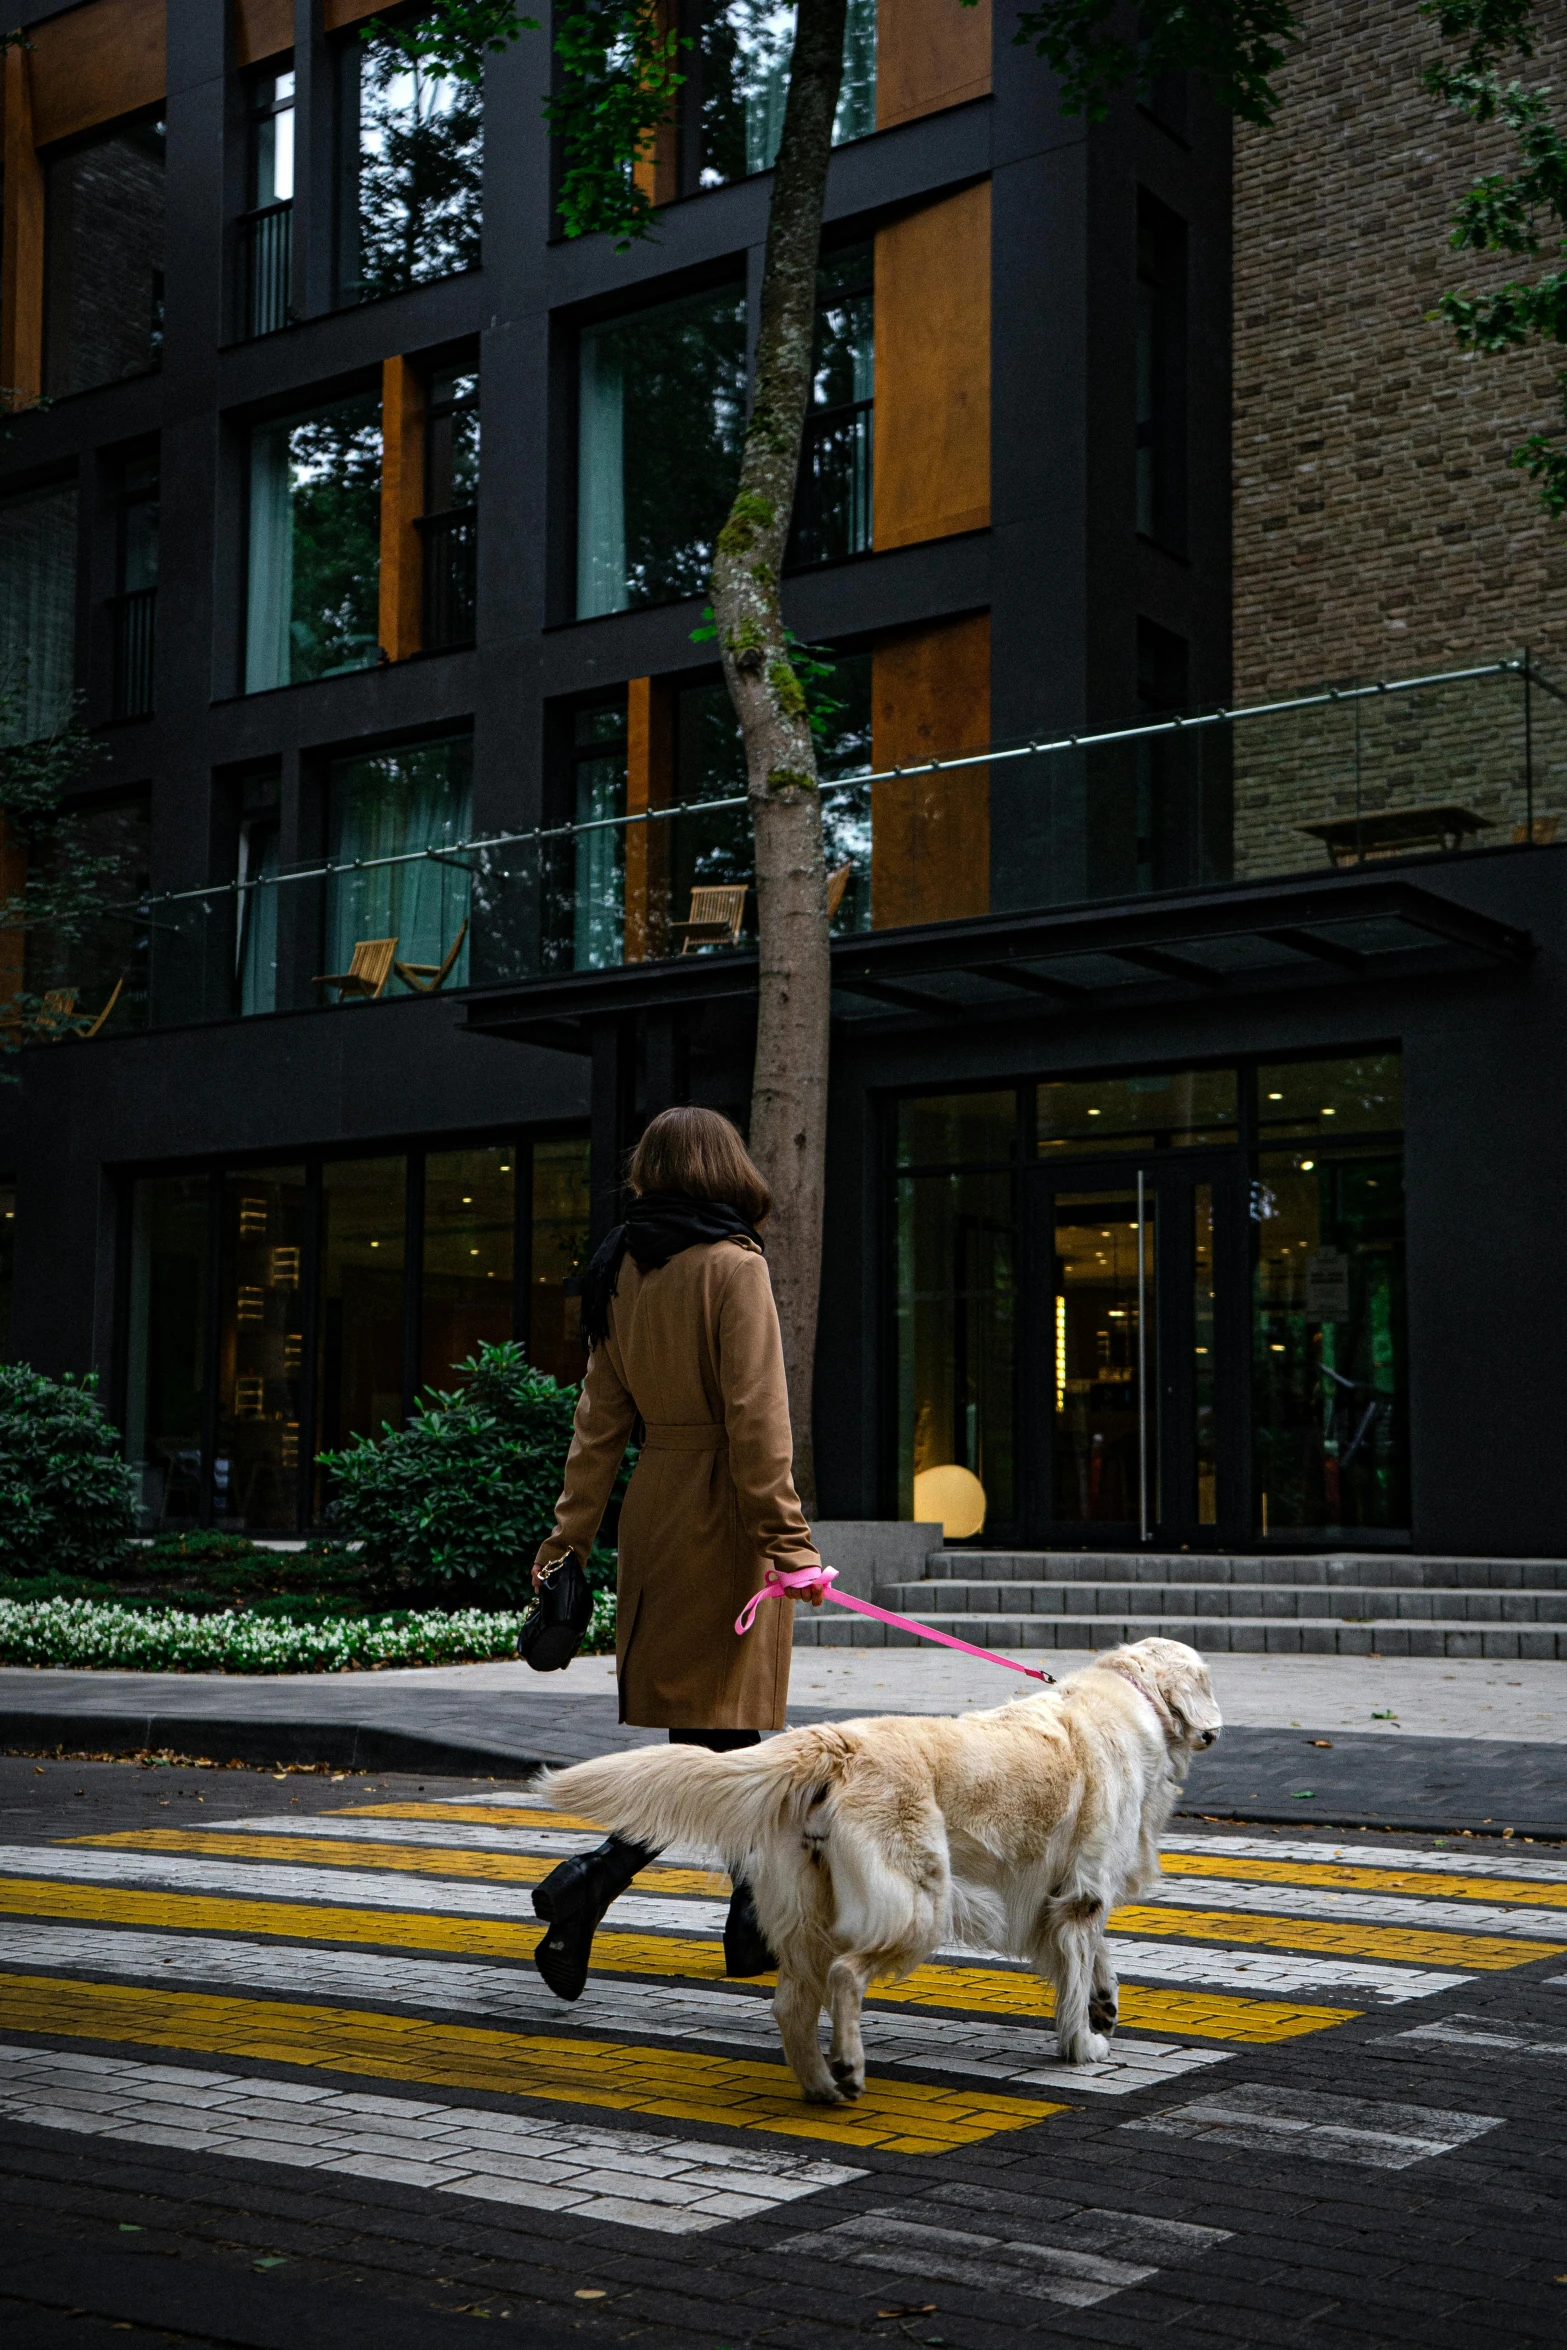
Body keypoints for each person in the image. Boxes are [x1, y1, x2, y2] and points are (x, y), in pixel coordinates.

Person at [527, 1104, 824, 2000]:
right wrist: (786, 1541)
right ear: (724, 1168)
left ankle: (748, 1922)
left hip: (656, 1509)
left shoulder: (620, 1270)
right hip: (723, 1516)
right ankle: (597, 1884)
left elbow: (598, 1420)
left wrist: (568, 1535)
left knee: (720, 1739)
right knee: (721, 1742)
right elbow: (757, 1418)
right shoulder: (732, 1266)